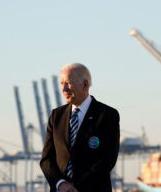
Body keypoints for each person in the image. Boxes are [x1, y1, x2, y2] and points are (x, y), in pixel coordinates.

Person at [40, 63, 120, 192]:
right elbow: (47, 159)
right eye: (61, 83)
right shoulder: (56, 116)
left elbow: (107, 159)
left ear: (85, 84)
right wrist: (61, 184)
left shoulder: (107, 115)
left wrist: (75, 187)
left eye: (68, 83)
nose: (64, 89)